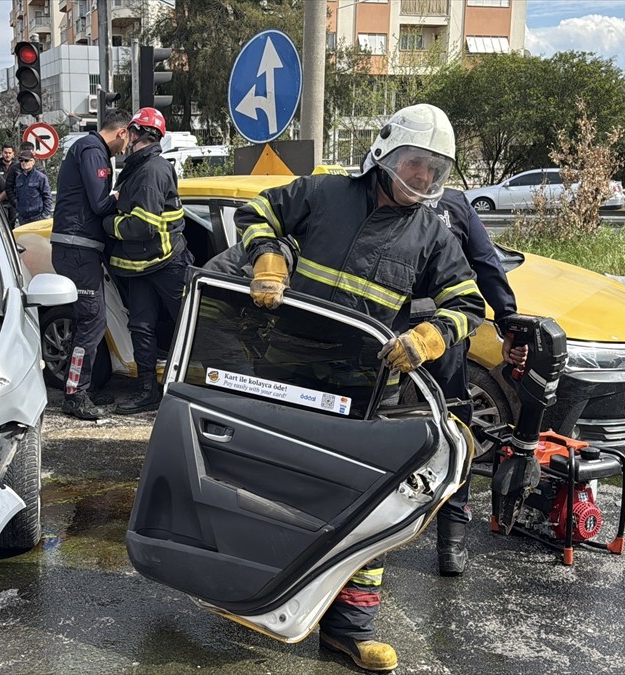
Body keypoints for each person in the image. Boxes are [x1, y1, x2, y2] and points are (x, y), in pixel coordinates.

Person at [234, 103, 485, 672]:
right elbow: (255, 210)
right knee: (271, 491)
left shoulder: (431, 232)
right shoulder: (323, 194)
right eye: (416, 163)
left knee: (363, 508)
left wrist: (430, 336)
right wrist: (267, 254)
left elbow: (468, 301)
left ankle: (348, 630)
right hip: (287, 372)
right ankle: (248, 593)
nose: (424, 178)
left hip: (364, 386)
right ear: (386, 153)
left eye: (435, 169)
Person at [423, 186, 528, 577]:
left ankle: (443, 541)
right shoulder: (453, 203)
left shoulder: (383, 197)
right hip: (441, 337)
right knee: (454, 431)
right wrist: (508, 322)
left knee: (392, 429)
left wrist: (510, 326)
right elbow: (487, 265)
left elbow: (485, 264)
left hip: (396, 336)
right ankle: (451, 545)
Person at [105, 108, 193, 414]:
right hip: (142, 265)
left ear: (135, 133)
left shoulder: (149, 171)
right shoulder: (140, 168)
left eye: (129, 133)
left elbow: (142, 226)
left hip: (166, 263)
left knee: (188, 322)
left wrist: (109, 223)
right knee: (141, 327)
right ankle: (147, 391)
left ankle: (199, 389)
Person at [52, 107, 131, 420]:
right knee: (92, 322)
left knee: (87, 322)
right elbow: (99, 203)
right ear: (121, 132)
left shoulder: (91, 149)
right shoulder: (92, 149)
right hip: (77, 248)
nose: (126, 148)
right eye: (128, 139)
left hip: (79, 248)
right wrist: (122, 194)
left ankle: (81, 387)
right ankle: (75, 395)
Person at [11, 150, 53, 225]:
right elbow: (17, 195)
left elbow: (47, 197)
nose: (23, 162)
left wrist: (44, 215)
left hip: (38, 217)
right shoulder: (18, 178)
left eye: (26, 160)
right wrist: (18, 212)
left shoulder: (41, 177)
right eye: (21, 160)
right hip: (23, 219)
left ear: (33, 162)